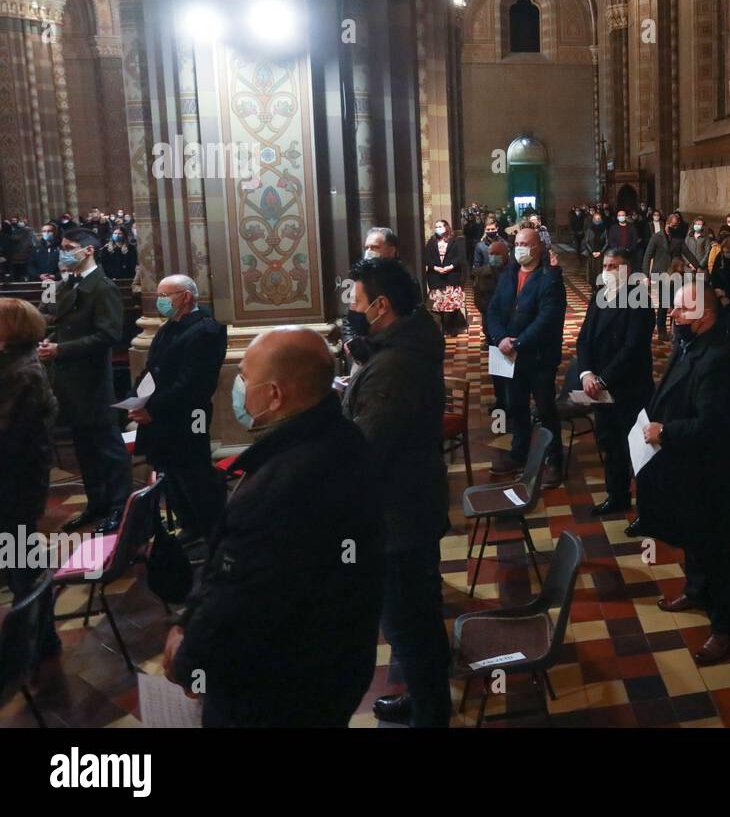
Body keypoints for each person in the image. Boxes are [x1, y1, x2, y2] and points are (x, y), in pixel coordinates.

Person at [163, 327, 384, 726]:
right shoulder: (344, 439)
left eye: (245, 377)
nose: (239, 387)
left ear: (275, 395)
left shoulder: (283, 484)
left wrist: (189, 658)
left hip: (276, 688)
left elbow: (242, 596)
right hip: (334, 664)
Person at [342, 259, 452, 727]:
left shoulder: (396, 367)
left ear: (380, 306)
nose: (350, 309)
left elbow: (369, 449)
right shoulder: (402, 346)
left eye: (356, 302)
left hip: (399, 520)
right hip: (410, 509)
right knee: (416, 625)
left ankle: (431, 714)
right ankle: (425, 700)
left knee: (410, 630)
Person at [636, 281, 730, 665]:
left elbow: (716, 425)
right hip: (683, 465)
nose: (672, 315)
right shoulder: (688, 345)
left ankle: (726, 627)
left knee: (715, 546)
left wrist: (665, 431)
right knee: (693, 537)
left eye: (681, 310)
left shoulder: (719, 360)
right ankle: (697, 591)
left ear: (705, 316)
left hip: (707, 471)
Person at [40, 228, 132, 533]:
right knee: (85, 450)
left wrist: (60, 349)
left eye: (69, 247)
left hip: (93, 383)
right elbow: (65, 327)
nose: (63, 252)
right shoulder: (68, 285)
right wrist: (49, 342)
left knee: (108, 448)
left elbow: (108, 335)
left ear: (88, 251)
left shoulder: (102, 287)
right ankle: (97, 503)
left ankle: (121, 507)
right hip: (69, 382)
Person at [128, 275, 228, 544]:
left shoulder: (207, 330)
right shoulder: (167, 327)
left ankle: (211, 533)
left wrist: (154, 410)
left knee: (192, 473)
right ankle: (190, 526)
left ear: (186, 296)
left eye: (166, 295)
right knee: (170, 472)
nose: (160, 301)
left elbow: (193, 384)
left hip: (188, 416)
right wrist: (135, 399)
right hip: (161, 415)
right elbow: (151, 370)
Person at [0, 297, 61, 661]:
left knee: (22, 561)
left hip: (14, 485)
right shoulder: (15, 364)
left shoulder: (20, 372)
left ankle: (35, 639)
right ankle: (37, 635)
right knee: (21, 558)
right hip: (19, 483)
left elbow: (6, 434)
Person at [486, 227, 567, 487]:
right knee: (516, 406)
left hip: (539, 356)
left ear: (537, 247)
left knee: (545, 409)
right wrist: (500, 339)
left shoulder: (549, 277)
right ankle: (519, 453)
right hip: (509, 354)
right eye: (517, 242)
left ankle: (555, 461)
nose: (519, 247)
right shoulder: (509, 274)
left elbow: (547, 319)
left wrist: (518, 342)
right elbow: (494, 310)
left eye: (525, 243)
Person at [576, 249, 654, 517]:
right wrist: (586, 373)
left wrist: (603, 378)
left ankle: (647, 511)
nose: (608, 270)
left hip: (628, 387)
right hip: (599, 389)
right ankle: (617, 496)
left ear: (627, 271)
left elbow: (633, 348)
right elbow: (584, 338)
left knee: (636, 450)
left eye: (614, 266)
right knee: (610, 445)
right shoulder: (599, 296)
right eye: (605, 265)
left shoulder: (639, 300)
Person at [342, 227, 399, 367]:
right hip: (363, 357)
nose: (369, 252)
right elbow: (350, 315)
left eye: (375, 247)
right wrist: (349, 339)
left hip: (391, 355)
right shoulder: (360, 277)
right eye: (367, 247)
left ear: (391, 251)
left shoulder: (403, 280)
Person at [473, 239, 511, 412]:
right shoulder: (483, 273)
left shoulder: (513, 272)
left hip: (511, 326)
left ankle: (512, 403)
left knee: (512, 369)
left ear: (505, 255)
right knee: (497, 369)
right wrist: (492, 313)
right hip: (492, 327)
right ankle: (501, 402)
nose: (494, 257)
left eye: (497, 254)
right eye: (491, 254)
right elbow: (478, 298)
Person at [424, 219, 467, 336]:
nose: (438, 228)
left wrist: (451, 266)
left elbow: (460, 256)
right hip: (436, 276)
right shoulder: (431, 242)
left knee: (452, 305)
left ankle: (452, 327)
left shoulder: (455, 241)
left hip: (452, 275)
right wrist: (435, 267)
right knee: (438, 305)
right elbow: (427, 257)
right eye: (436, 226)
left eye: (440, 226)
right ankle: (441, 327)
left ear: (446, 227)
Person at [644, 215, 679, 342]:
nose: (675, 228)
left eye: (677, 225)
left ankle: (674, 330)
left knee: (674, 303)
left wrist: (697, 266)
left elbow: (686, 252)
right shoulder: (656, 237)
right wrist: (645, 274)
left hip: (674, 274)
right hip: (660, 273)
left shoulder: (676, 238)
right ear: (668, 224)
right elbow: (648, 255)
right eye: (673, 225)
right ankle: (662, 330)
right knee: (663, 303)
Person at [583, 209, 606, 287]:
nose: (597, 220)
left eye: (598, 218)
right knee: (592, 270)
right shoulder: (589, 229)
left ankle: (600, 285)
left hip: (601, 253)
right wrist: (592, 252)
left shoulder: (604, 229)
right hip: (592, 253)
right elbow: (586, 242)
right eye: (595, 219)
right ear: (593, 219)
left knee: (600, 270)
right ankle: (593, 286)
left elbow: (607, 242)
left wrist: (600, 252)